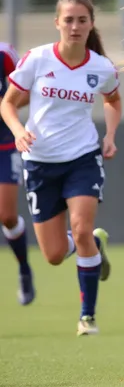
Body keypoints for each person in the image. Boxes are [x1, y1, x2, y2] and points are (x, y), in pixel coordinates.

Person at [0, 0, 122, 336]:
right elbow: (7, 103)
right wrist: (19, 131)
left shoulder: (100, 67)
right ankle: (95, 246)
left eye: (82, 20)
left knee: (81, 228)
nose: (75, 26)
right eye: (68, 20)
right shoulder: (37, 59)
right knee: (54, 254)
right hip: (39, 163)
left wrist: (110, 135)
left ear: (91, 24)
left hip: (82, 158)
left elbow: (113, 100)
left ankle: (88, 317)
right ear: (57, 23)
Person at [0, 42, 35, 305]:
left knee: (8, 216)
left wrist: (7, 105)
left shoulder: (5, 54)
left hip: (5, 142)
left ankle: (24, 267)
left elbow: (24, 92)